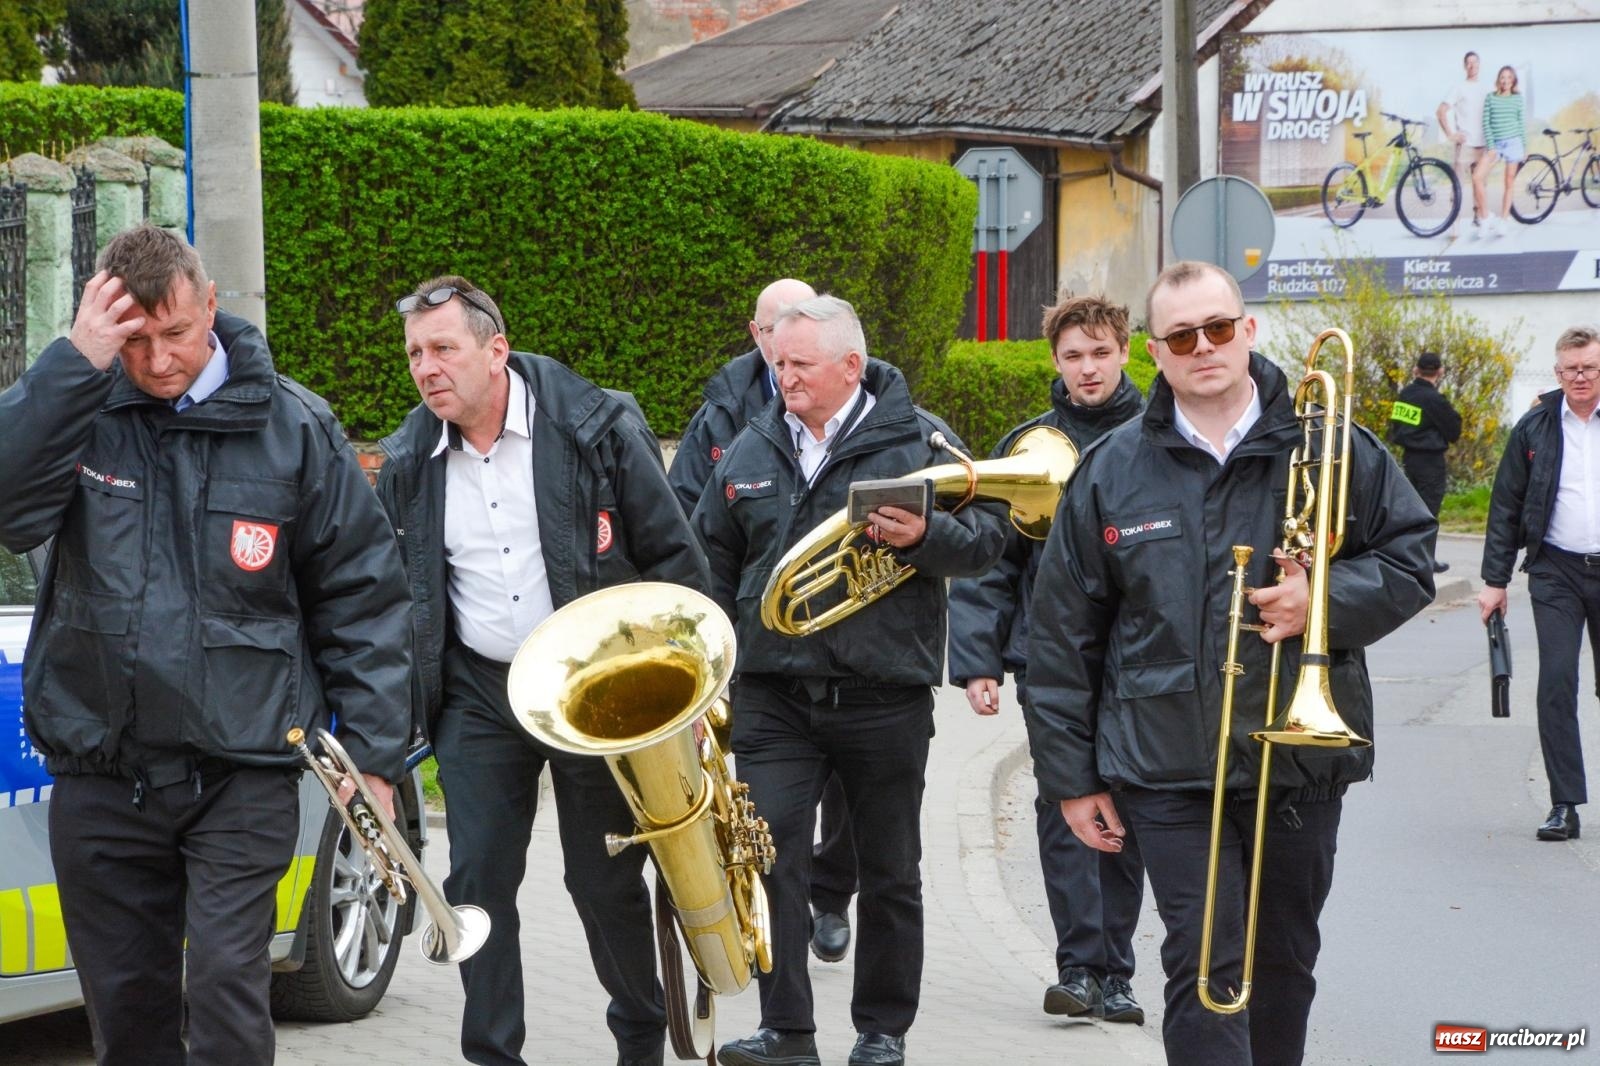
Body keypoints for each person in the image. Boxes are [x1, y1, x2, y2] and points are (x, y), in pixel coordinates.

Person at [0, 224, 414, 1066]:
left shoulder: (295, 426)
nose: (158, 361)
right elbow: (10, 510)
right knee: (128, 1018)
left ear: (212, 305)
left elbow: (363, 597)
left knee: (227, 995)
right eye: (135, 340)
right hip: (103, 775)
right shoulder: (82, 411)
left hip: (241, 773)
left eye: (177, 333)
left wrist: (375, 759)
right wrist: (73, 363)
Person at [1024, 261, 1435, 1066]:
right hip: (1166, 764)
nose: (1203, 346)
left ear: (1247, 329)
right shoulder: (1111, 468)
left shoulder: (1332, 444)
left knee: (1282, 964)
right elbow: (1063, 635)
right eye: (1181, 336)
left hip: (1299, 761)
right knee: (1204, 963)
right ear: (1154, 351)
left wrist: (1321, 599)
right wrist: (1071, 779)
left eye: (1217, 327)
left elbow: (1412, 558)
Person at [375, 276, 711, 1066]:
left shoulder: (597, 427)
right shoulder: (408, 461)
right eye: (415, 354)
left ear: (496, 350)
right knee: (476, 880)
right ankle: (493, 1053)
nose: (426, 368)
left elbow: (674, 558)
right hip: (478, 691)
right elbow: (393, 603)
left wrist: (690, 696)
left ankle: (640, 1042)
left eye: (443, 349)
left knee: (602, 881)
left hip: (596, 689)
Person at [694, 295, 1007, 1066]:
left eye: (801, 364)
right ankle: (787, 1031)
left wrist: (928, 535)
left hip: (883, 695)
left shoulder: (921, 440)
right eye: (778, 362)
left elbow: (990, 540)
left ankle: (882, 1031)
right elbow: (708, 563)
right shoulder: (754, 443)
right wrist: (707, 677)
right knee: (766, 859)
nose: (785, 377)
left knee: (891, 870)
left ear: (850, 367)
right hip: (772, 694)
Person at [946, 293, 1147, 1024]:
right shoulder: (1028, 443)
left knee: (1127, 804)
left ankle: (1116, 971)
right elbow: (989, 559)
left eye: (1100, 353)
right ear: (1054, 361)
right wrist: (978, 660)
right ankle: (1078, 969)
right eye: (1072, 356)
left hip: (1140, 658)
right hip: (1050, 656)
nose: (1087, 368)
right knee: (1065, 802)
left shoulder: (1158, 433)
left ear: (1126, 351)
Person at [667, 277, 859, 964]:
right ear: (756, 334)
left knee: (849, 798)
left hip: (853, 656)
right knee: (773, 813)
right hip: (765, 659)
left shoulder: (865, 406)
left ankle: (831, 892)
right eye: (777, 330)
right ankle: (782, 925)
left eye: (803, 332)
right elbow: (688, 520)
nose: (788, 350)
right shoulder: (723, 415)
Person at [1478, 326, 1600, 844]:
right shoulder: (1535, 427)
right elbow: (1506, 505)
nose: (1580, 376)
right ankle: (1564, 804)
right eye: (1571, 368)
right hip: (1556, 570)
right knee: (1556, 682)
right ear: (1557, 372)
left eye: (1589, 367)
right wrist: (1494, 581)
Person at [1388, 350, 1463, 572]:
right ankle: (1424, 560)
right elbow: (1454, 430)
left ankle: (1407, 556)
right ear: (1440, 372)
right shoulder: (1434, 399)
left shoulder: (1405, 394)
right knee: (1429, 511)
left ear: (1416, 370)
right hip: (1431, 462)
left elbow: (1396, 428)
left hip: (1408, 459)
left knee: (1410, 509)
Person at [1438, 50, 1491, 238]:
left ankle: (1479, 219)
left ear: (1479, 64)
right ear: (1464, 66)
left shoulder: (1486, 88)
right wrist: (1451, 135)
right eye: (1469, 62)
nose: (1472, 65)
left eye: (1475, 62)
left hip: (1483, 145)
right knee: (1457, 186)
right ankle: (1455, 224)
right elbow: (1441, 111)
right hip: (1465, 145)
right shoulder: (1459, 87)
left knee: (1480, 185)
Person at [1475, 65, 1526, 237]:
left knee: (1509, 182)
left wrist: (1524, 147)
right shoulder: (1491, 98)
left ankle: (1504, 220)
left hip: (1514, 143)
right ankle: (1485, 217)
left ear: (1513, 81)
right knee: (1477, 177)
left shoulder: (1518, 99)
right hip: (1495, 144)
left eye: (1509, 77)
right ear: (1498, 80)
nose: (1505, 80)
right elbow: (1486, 123)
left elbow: (1521, 124)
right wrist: (1491, 147)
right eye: (1502, 77)